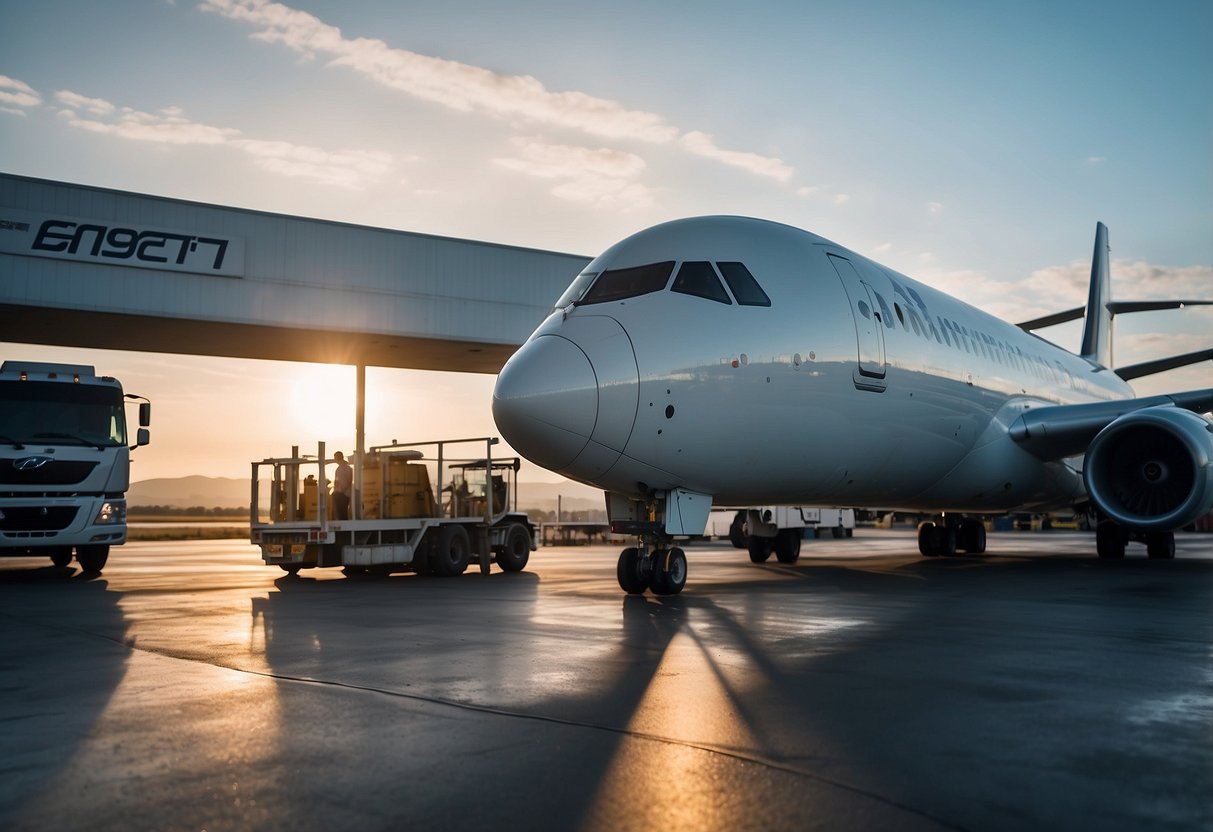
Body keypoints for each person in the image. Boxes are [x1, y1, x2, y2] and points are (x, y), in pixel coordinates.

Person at [332, 451, 353, 520]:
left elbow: (349, 480)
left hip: (343, 493)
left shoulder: (344, 468)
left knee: (342, 513)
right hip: (342, 493)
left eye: (335, 458)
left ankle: (343, 528)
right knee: (341, 513)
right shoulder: (345, 468)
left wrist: (341, 491)